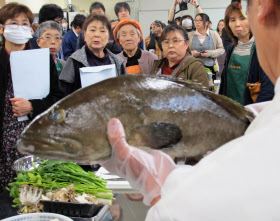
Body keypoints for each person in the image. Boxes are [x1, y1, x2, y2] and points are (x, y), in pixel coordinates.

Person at [100, 0, 280, 219]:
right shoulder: (155, 65)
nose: (171, 46)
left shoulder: (258, 146)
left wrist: (159, 185)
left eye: (244, 15)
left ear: (264, 7)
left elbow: (175, 212)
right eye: (166, 42)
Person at [0, 3, 64, 193]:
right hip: (4, 144)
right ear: (2, 28)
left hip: (34, 140)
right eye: (13, 23)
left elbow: (57, 98)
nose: (19, 27)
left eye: (25, 23)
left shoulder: (42, 59)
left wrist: (32, 106)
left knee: (35, 192)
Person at [219, 2, 274, 105]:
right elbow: (224, 84)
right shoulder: (231, 49)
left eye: (242, 18)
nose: (237, 24)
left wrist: (251, 116)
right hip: (231, 111)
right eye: (232, 20)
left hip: (252, 113)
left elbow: (268, 90)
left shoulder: (263, 49)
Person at [59, 14, 127, 96]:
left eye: (102, 31)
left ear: (109, 37)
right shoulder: (74, 61)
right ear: (84, 35)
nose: (97, 35)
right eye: (92, 30)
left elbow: (125, 92)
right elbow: (63, 96)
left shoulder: (117, 62)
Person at [188, 13, 225, 81]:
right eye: (196, 20)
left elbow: (221, 49)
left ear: (207, 22)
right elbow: (184, 51)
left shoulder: (214, 34)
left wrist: (210, 53)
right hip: (193, 67)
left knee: (209, 87)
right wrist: (192, 53)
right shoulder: (190, 35)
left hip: (210, 67)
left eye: (200, 20)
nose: (197, 22)